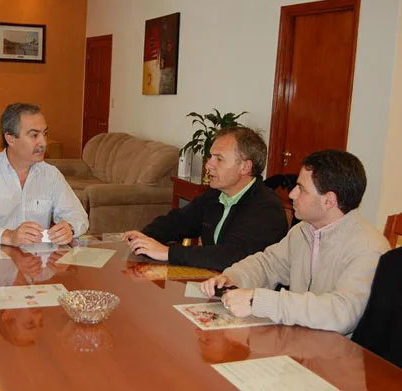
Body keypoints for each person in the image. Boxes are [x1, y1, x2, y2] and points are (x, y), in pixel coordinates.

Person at [201, 150, 389, 336]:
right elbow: (268, 264)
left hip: (338, 355)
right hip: (300, 339)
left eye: (302, 189)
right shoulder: (304, 230)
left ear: (329, 200)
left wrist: (257, 301)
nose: (292, 194)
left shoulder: (368, 248)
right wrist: (234, 278)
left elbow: (342, 313)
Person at [123, 127, 288, 271]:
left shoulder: (267, 208)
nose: (208, 165)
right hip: (210, 283)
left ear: (245, 167)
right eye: (210, 157)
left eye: (219, 159)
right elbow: (178, 221)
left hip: (246, 295)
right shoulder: (216, 194)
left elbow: (232, 256)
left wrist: (167, 252)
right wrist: (146, 238)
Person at [0, 103, 88, 246]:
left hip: (36, 261)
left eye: (45, 134)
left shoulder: (51, 175)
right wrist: (7, 236)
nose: (44, 143)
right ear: (10, 139)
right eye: (34, 135)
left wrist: (69, 227)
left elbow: (78, 215)